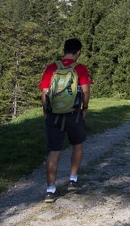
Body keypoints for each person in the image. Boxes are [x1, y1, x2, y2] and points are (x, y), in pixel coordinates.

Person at [39, 38, 92, 203]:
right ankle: (72, 180)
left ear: (64, 50)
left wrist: (46, 111)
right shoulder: (80, 68)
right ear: (78, 52)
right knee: (77, 144)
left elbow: (44, 93)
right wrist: (84, 109)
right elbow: (85, 91)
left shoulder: (52, 68)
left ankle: (50, 190)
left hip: (54, 114)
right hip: (73, 114)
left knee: (54, 151)